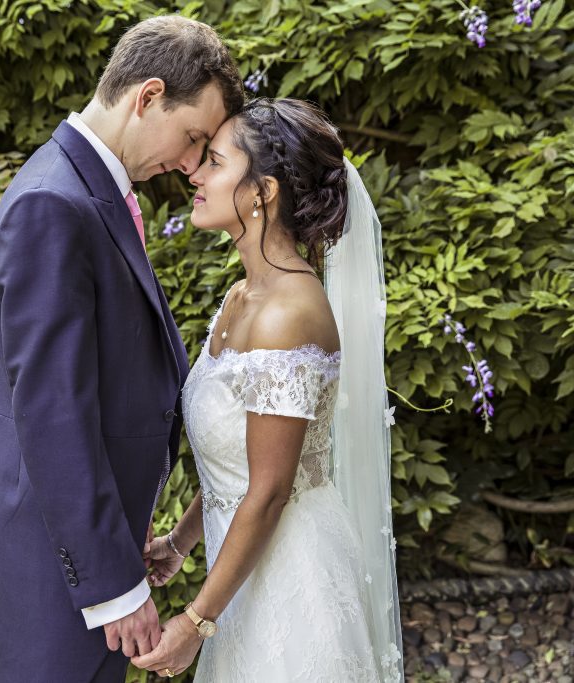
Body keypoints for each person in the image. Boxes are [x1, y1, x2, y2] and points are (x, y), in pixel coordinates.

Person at [0, 15, 244, 682]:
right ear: (147, 96)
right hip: (58, 569)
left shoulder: (84, 188)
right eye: (191, 138)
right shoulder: (52, 205)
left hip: (89, 547)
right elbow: (53, 411)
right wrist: (111, 587)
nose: (189, 163)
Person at [132, 98, 404, 682]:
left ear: (262, 192)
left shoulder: (286, 315)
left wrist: (196, 622)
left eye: (215, 163)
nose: (195, 174)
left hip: (290, 580)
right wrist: (181, 541)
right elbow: (245, 455)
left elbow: (272, 489)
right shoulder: (242, 297)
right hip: (242, 571)